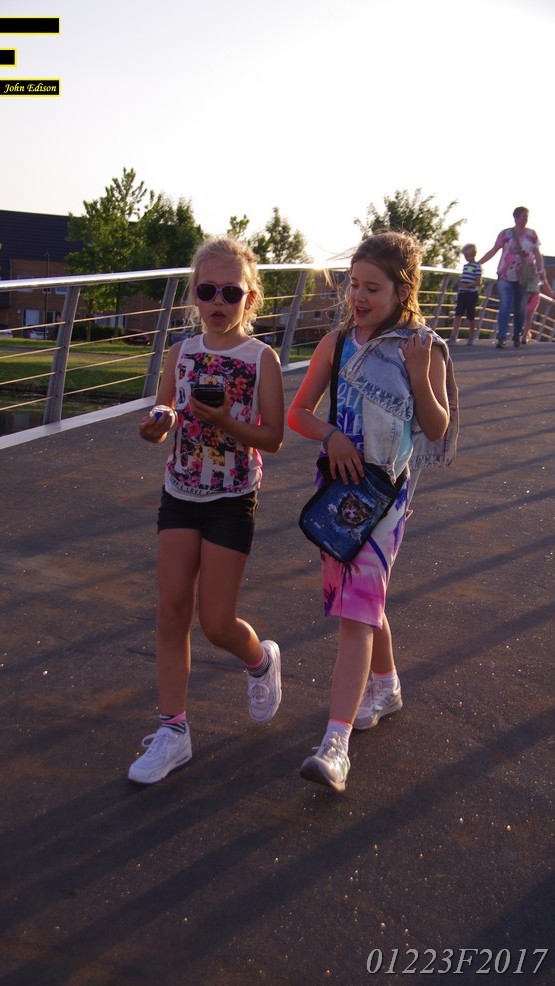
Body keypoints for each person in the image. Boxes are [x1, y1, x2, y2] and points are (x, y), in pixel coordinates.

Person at [288, 231, 458, 794]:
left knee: (356, 612)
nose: (358, 296)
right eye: (353, 284)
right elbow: (297, 413)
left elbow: (435, 427)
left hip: (386, 497)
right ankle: (386, 685)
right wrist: (332, 435)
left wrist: (418, 374)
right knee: (363, 600)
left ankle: (334, 746)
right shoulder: (337, 343)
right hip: (339, 490)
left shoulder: (423, 347)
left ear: (402, 291)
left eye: (372, 288)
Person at [128, 236, 285, 785]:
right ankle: (173, 731)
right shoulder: (181, 352)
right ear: (193, 294)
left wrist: (224, 423)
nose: (218, 301)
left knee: (216, 622)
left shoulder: (261, 359)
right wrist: (156, 426)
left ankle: (261, 660)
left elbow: (273, 437)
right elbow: (165, 410)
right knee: (172, 611)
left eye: (231, 292)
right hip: (180, 490)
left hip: (232, 497)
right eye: (207, 290)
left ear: (250, 298)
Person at [478, 206, 547, 349]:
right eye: (523, 216)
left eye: (527, 216)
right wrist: (478, 263)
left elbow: (537, 253)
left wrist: (541, 269)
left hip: (524, 277)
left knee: (520, 308)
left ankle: (516, 335)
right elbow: (494, 250)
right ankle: (501, 336)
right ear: (515, 218)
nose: (526, 219)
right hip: (505, 275)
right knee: (506, 305)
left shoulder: (531, 234)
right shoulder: (506, 234)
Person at [448, 244, 481, 346]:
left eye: (467, 255)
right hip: (462, 293)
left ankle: (471, 336)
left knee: (470, 316)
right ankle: (454, 336)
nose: (466, 258)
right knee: (458, 314)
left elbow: (478, 281)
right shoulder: (465, 266)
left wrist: (467, 285)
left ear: (473, 255)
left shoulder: (477, 266)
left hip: (471, 293)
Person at [521, 274, 555, 344]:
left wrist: (552, 296)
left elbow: (544, 283)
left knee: (528, 315)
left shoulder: (540, 270)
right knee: (522, 315)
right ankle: (527, 332)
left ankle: (525, 336)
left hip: (534, 295)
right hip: (522, 293)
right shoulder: (521, 267)